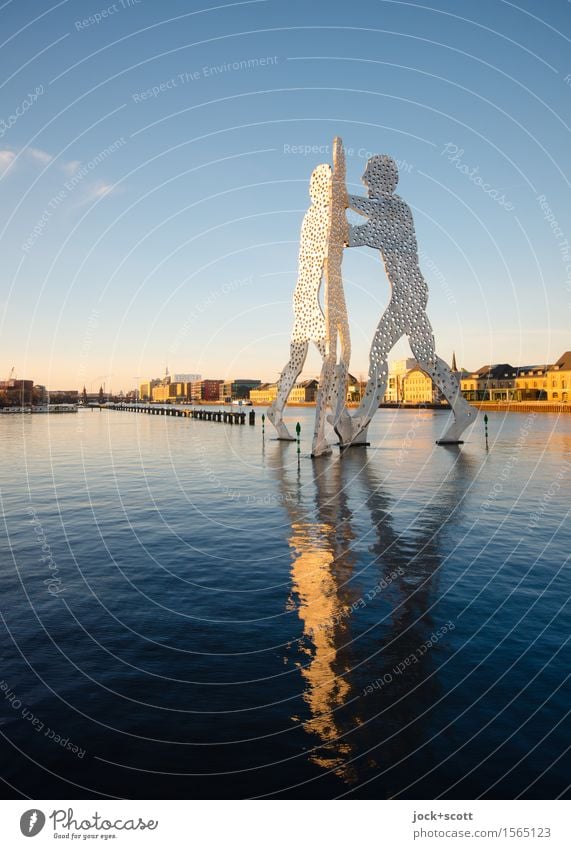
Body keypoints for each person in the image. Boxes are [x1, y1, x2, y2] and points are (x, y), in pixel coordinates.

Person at [332, 154, 474, 446]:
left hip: (409, 292)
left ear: (385, 180)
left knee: (378, 354)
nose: (366, 182)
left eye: (369, 178)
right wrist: (338, 214)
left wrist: (340, 197)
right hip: (408, 292)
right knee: (425, 358)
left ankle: (362, 422)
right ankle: (463, 410)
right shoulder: (384, 217)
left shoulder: (396, 209)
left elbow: (365, 224)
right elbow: (353, 235)